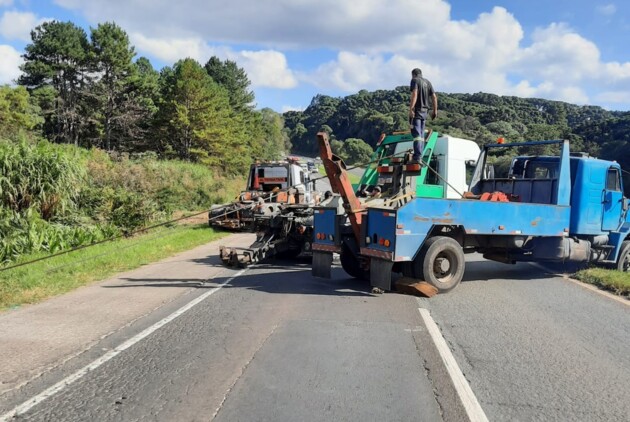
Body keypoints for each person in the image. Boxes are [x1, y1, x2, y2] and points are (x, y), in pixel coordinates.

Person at [409, 68, 438, 162]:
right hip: (425, 112)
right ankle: (419, 156)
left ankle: (417, 157)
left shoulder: (414, 80)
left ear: (413, 74)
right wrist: (435, 111)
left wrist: (411, 108)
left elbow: (415, 93)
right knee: (421, 135)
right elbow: (434, 96)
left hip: (417, 111)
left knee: (417, 134)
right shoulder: (428, 82)